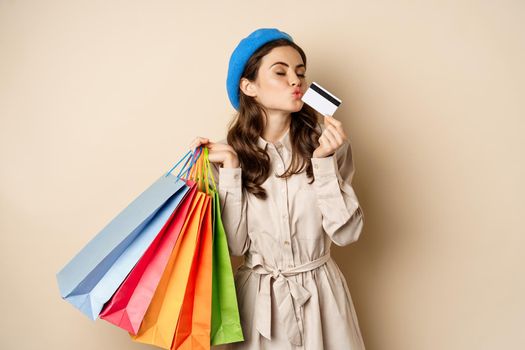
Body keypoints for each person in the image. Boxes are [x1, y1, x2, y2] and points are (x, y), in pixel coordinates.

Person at [189, 28, 366, 350]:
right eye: (280, 72)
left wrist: (324, 163)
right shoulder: (228, 154)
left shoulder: (327, 145)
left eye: (300, 73)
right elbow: (235, 246)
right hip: (257, 304)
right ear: (249, 86)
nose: (295, 81)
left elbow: (347, 233)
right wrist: (231, 171)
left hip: (321, 296)